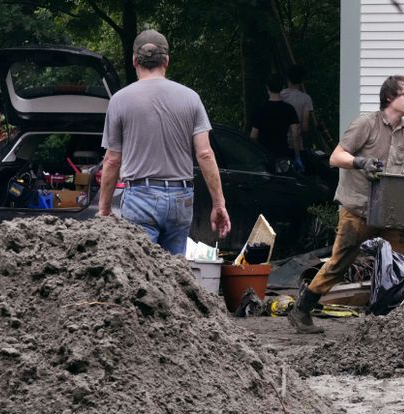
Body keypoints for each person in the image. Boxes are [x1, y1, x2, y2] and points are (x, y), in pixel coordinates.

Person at [288, 75, 404, 334]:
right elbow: (336, 156)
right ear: (389, 98)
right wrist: (360, 163)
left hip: (391, 211)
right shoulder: (367, 124)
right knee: (340, 263)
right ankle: (301, 309)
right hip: (358, 209)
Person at [98, 29, 231, 255]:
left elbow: (112, 160)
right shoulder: (191, 98)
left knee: (141, 274)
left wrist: (104, 209)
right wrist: (218, 204)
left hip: (140, 197)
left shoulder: (120, 100)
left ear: (134, 61)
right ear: (166, 61)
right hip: (181, 199)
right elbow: (205, 154)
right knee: (174, 275)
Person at [250, 73, 302, 171]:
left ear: (267, 88)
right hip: (282, 153)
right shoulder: (289, 109)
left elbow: (253, 136)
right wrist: (297, 156)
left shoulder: (260, 109)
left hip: (264, 154)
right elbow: (295, 134)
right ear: (282, 88)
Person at [279, 64, 314, 153]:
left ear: (287, 78)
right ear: (302, 80)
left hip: (279, 141)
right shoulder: (305, 99)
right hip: (297, 144)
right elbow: (305, 126)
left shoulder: (280, 96)